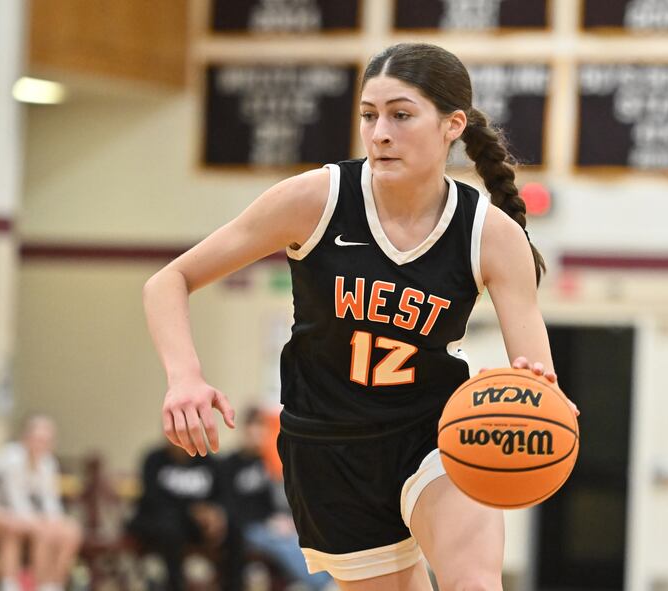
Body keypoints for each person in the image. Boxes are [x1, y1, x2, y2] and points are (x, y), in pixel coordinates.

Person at [143, 42, 579, 590]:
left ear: (452, 125)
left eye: (401, 115)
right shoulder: (317, 199)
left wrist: (526, 391)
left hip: (436, 434)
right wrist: (184, 377)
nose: (380, 133)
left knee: (474, 582)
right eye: (369, 116)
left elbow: (538, 378)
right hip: (328, 449)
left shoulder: (490, 234)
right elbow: (168, 281)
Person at [220, 406, 333, 590]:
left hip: (270, 521)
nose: (258, 433)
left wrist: (282, 519)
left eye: (262, 427)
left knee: (307, 533)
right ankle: (324, 585)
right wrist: (268, 522)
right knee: (284, 543)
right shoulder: (229, 464)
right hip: (245, 527)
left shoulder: (266, 461)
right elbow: (232, 506)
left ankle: (327, 579)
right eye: (254, 426)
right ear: (245, 429)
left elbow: (278, 500)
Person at [126, 439, 244, 591]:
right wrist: (191, 510)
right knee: (170, 529)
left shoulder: (207, 461)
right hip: (162, 522)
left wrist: (216, 514)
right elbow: (153, 500)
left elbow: (224, 496)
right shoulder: (155, 460)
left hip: (199, 525)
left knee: (235, 528)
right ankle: (175, 585)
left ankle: (233, 586)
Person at [0, 414, 82, 591]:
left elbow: (50, 500)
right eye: (38, 439)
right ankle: (16, 584)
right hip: (2, 513)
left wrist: (53, 521)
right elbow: (15, 501)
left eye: (47, 440)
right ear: (25, 438)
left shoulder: (48, 462)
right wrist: (40, 523)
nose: (41, 444)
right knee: (31, 531)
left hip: (27, 515)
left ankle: (53, 583)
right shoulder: (11, 458)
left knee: (71, 531)